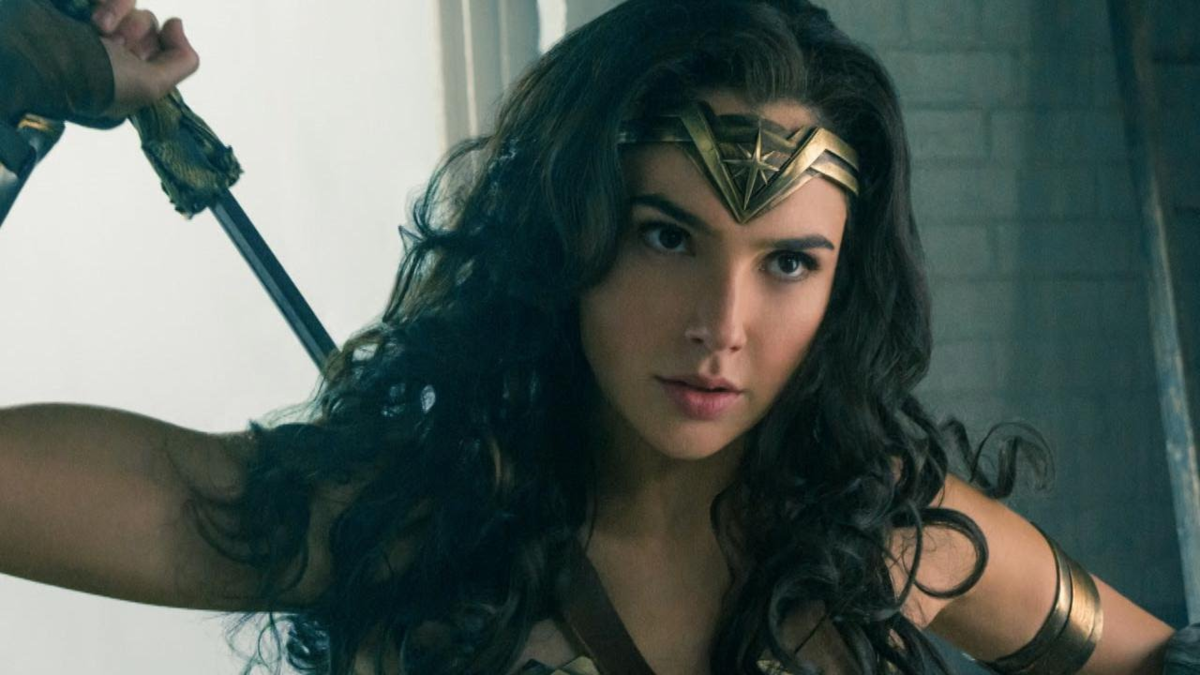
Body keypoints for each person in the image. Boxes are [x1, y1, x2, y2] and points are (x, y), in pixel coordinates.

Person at [0, 0, 1194, 673]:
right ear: (563, 234)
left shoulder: (892, 537)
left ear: (846, 286)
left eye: (787, 263)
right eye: (667, 237)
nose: (721, 327)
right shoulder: (390, 518)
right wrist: (20, 93)